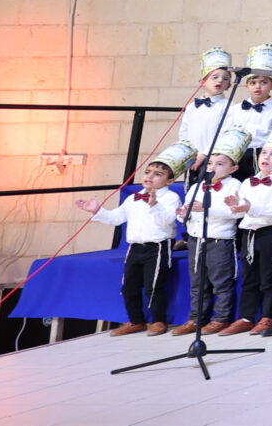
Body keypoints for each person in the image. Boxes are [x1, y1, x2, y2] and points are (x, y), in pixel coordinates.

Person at [76, 143, 192, 336]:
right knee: (129, 286)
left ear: (169, 180)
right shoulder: (133, 198)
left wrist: (155, 205)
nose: (150, 176)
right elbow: (117, 217)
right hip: (135, 247)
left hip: (157, 247)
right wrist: (97, 210)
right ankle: (136, 320)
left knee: (154, 286)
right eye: (148, 172)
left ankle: (158, 320)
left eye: (158, 174)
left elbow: (168, 222)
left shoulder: (170, 198)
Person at [184, 128, 254, 334]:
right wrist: (184, 214)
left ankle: (221, 317)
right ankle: (196, 318)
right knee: (197, 282)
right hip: (196, 239)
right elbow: (189, 207)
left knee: (221, 282)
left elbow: (235, 213)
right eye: (211, 163)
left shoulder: (235, 185)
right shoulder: (198, 185)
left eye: (220, 164)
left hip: (219, 240)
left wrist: (206, 209)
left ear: (233, 168)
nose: (213, 167)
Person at [235, 127, 272, 336]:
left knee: (270, 276)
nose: (266, 157)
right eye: (263, 153)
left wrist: (248, 208)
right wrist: (237, 208)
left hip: (270, 232)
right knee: (249, 276)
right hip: (248, 233)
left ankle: (269, 315)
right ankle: (246, 316)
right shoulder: (246, 182)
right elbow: (239, 209)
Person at [179, 51, 240, 158]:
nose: (220, 80)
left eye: (225, 78)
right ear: (202, 82)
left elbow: (224, 135)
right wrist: (186, 154)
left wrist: (204, 155)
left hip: (214, 159)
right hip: (192, 158)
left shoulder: (230, 107)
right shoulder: (191, 107)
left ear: (229, 85)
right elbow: (184, 133)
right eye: (215, 77)